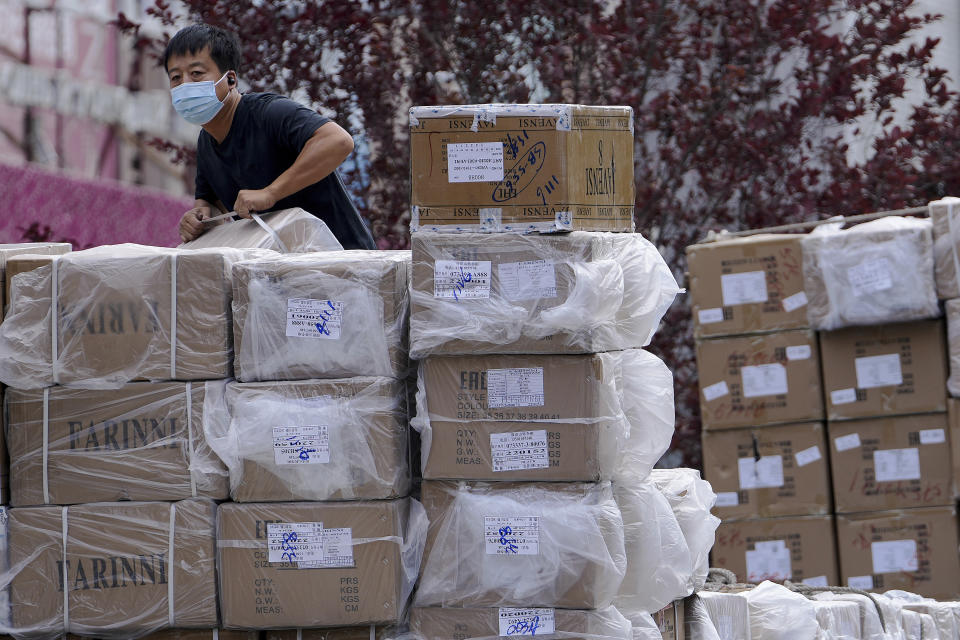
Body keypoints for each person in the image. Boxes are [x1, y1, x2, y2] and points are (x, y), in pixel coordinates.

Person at [164, 24, 376, 249]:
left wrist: (270, 193)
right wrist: (198, 220)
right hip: (285, 275)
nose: (185, 85)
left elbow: (338, 141)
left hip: (345, 264)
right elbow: (211, 207)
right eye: (176, 77)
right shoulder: (206, 142)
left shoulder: (269, 113)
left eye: (196, 74)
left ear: (231, 80)